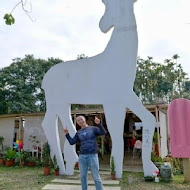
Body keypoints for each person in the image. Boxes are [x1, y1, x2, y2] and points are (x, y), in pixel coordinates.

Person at [64, 115, 107, 190]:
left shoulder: (93, 129)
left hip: (92, 155)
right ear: (77, 123)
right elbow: (72, 142)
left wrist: (99, 124)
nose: (80, 121)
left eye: (81, 119)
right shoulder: (78, 132)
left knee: (96, 177)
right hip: (82, 157)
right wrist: (67, 134)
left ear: (84, 119)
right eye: (78, 120)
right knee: (83, 177)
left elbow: (103, 132)